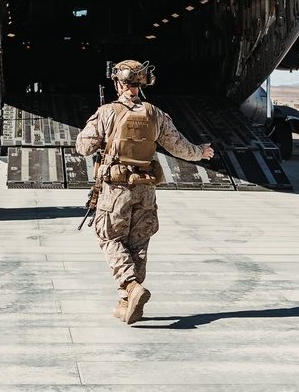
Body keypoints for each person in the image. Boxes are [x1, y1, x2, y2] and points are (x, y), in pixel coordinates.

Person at [75, 60, 215, 325]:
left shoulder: (107, 112)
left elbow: (83, 147)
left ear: (119, 83)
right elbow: (179, 147)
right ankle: (127, 304)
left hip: (116, 190)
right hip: (146, 190)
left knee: (109, 238)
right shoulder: (155, 114)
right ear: (141, 84)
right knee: (138, 244)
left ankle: (130, 286)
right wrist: (201, 152)